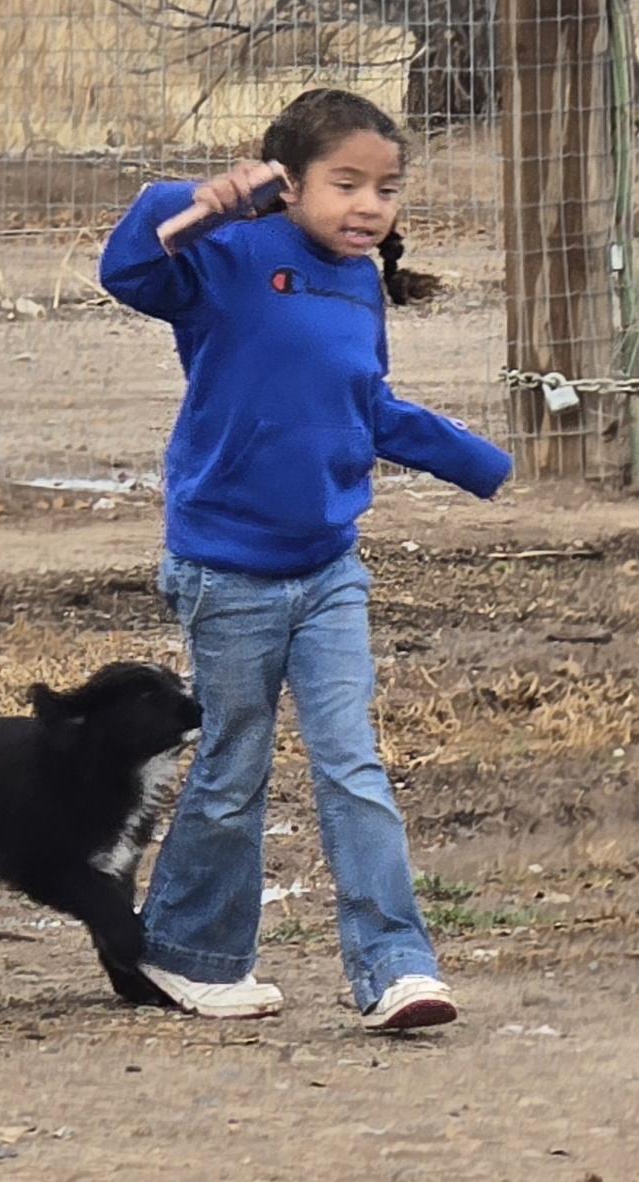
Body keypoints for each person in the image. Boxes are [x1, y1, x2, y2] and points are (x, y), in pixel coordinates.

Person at [99, 89, 512, 1030]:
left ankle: (395, 969)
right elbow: (127, 267)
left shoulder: (360, 280)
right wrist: (205, 201)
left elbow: (364, 405)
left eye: (388, 189)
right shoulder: (228, 257)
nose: (371, 206)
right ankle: (189, 954)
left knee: (353, 764)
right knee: (234, 768)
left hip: (329, 568)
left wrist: (475, 460)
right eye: (348, 183)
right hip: (228, 568)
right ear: (286, 184)